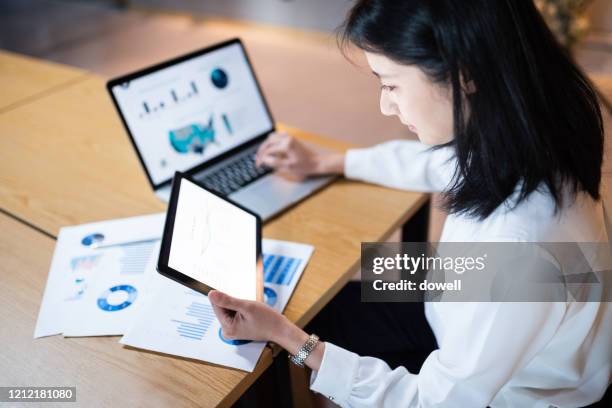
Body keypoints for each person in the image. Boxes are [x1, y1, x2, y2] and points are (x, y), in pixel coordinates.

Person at [208, 0, 612, 406]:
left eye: (390, 83)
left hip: (505, 388)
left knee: (299, 318)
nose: (385, 105)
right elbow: (435, 163)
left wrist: (291, 338)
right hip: (457, 289)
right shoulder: (523, 129)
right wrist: (329, 161)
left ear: (464, 74)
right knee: (325, 292)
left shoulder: (520, 244)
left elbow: (431, 401)